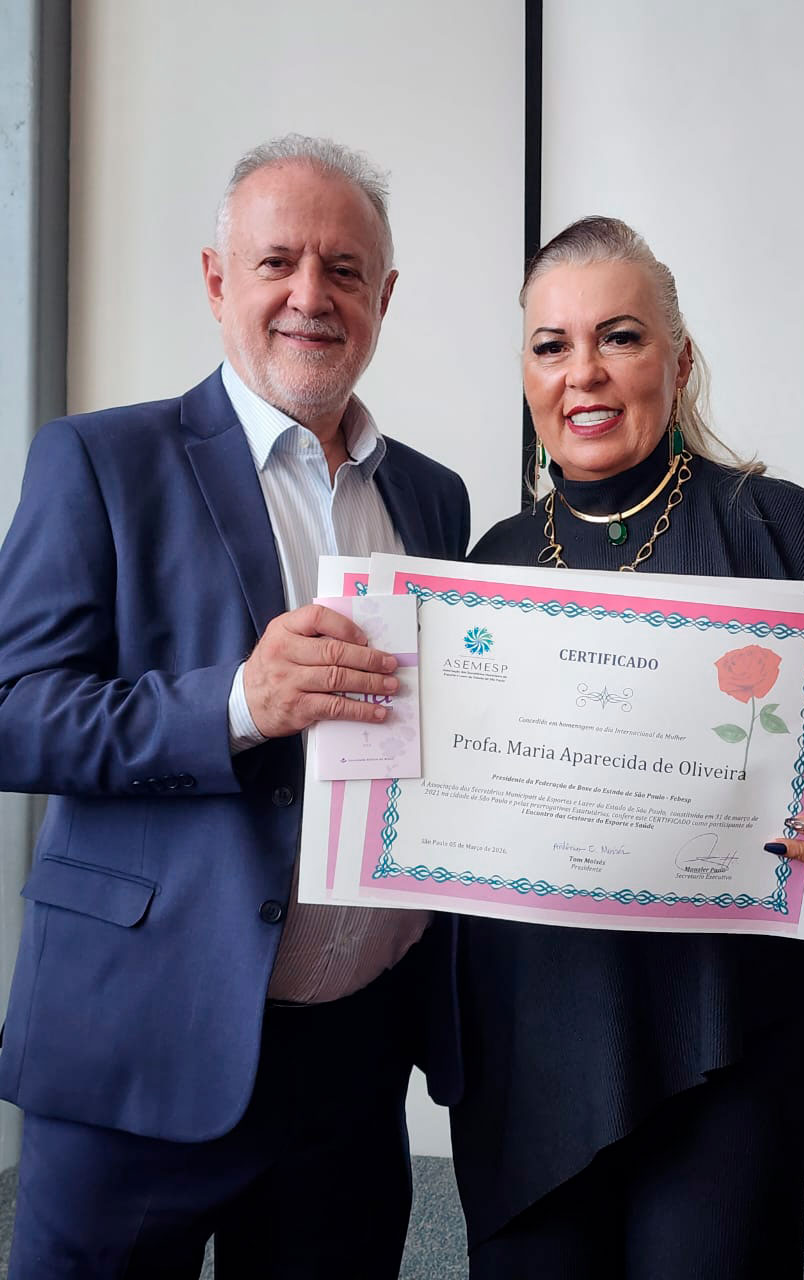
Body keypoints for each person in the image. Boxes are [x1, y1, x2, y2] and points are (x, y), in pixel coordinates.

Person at [0, 134, 468, 1279]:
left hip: (352, 1061)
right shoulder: (99, 460)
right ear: (218, 281)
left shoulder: (433, 496)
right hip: (137, 1047)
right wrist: (235, 704)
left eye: (345, 269)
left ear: (384, 298)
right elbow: (15, 709)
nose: (312, 294)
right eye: (277, 262)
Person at [450, 216, 804, 1279]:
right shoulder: (487, 568)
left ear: (680, 357)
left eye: (620, 336)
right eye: (552, 344)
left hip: (725, 1035)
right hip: (529, 1038)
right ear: (526, 370)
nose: (584, 372)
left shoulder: (778, 529)